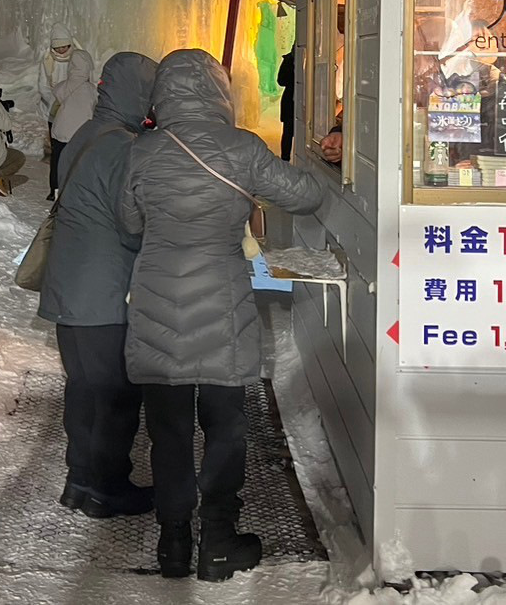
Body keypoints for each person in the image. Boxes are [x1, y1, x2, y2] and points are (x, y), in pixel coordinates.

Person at [121, 49, 324, 581]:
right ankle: (217, 540)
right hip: (223, 300)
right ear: (218, 92)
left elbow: (128, 221)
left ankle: (172, 543)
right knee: (225, 426)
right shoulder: (241, 149)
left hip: (156, 298)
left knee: (167, 431)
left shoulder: (142, 152)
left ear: (162, 94)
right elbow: (305, 196)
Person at [38, 52, 159, 519]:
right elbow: (132, 226)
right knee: (115, 395)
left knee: (83, 391)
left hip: (68, 289)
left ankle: (80, 480)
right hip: (104, 294)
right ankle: (108, 488)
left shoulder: (86, 134)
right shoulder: (124, 148)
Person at [48, 48, 97, 200]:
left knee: (57, 162)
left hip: (61, 132)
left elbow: (55, 105)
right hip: (81, 135)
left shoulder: (62, 86)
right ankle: (75, 192)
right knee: (78, 164)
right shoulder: (92, 90)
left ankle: (54, 190)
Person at [37, 23, 80, 161]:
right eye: (58, 47)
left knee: (73, 136)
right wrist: (55, 100)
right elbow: (43, 86)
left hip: (74, 104)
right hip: (53, 105)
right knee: (56, 137)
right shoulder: (47, 61)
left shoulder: (78, 59)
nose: (61, 50)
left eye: (64, 46)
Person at [276, 47, 295, 161]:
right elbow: (281, 81)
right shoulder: (288, 60)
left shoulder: (288, 59)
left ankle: (285, 159)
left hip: (289, 99)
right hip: (291, 100)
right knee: (289, 132)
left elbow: (281, 81)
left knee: (288, 132)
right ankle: (285, 159)